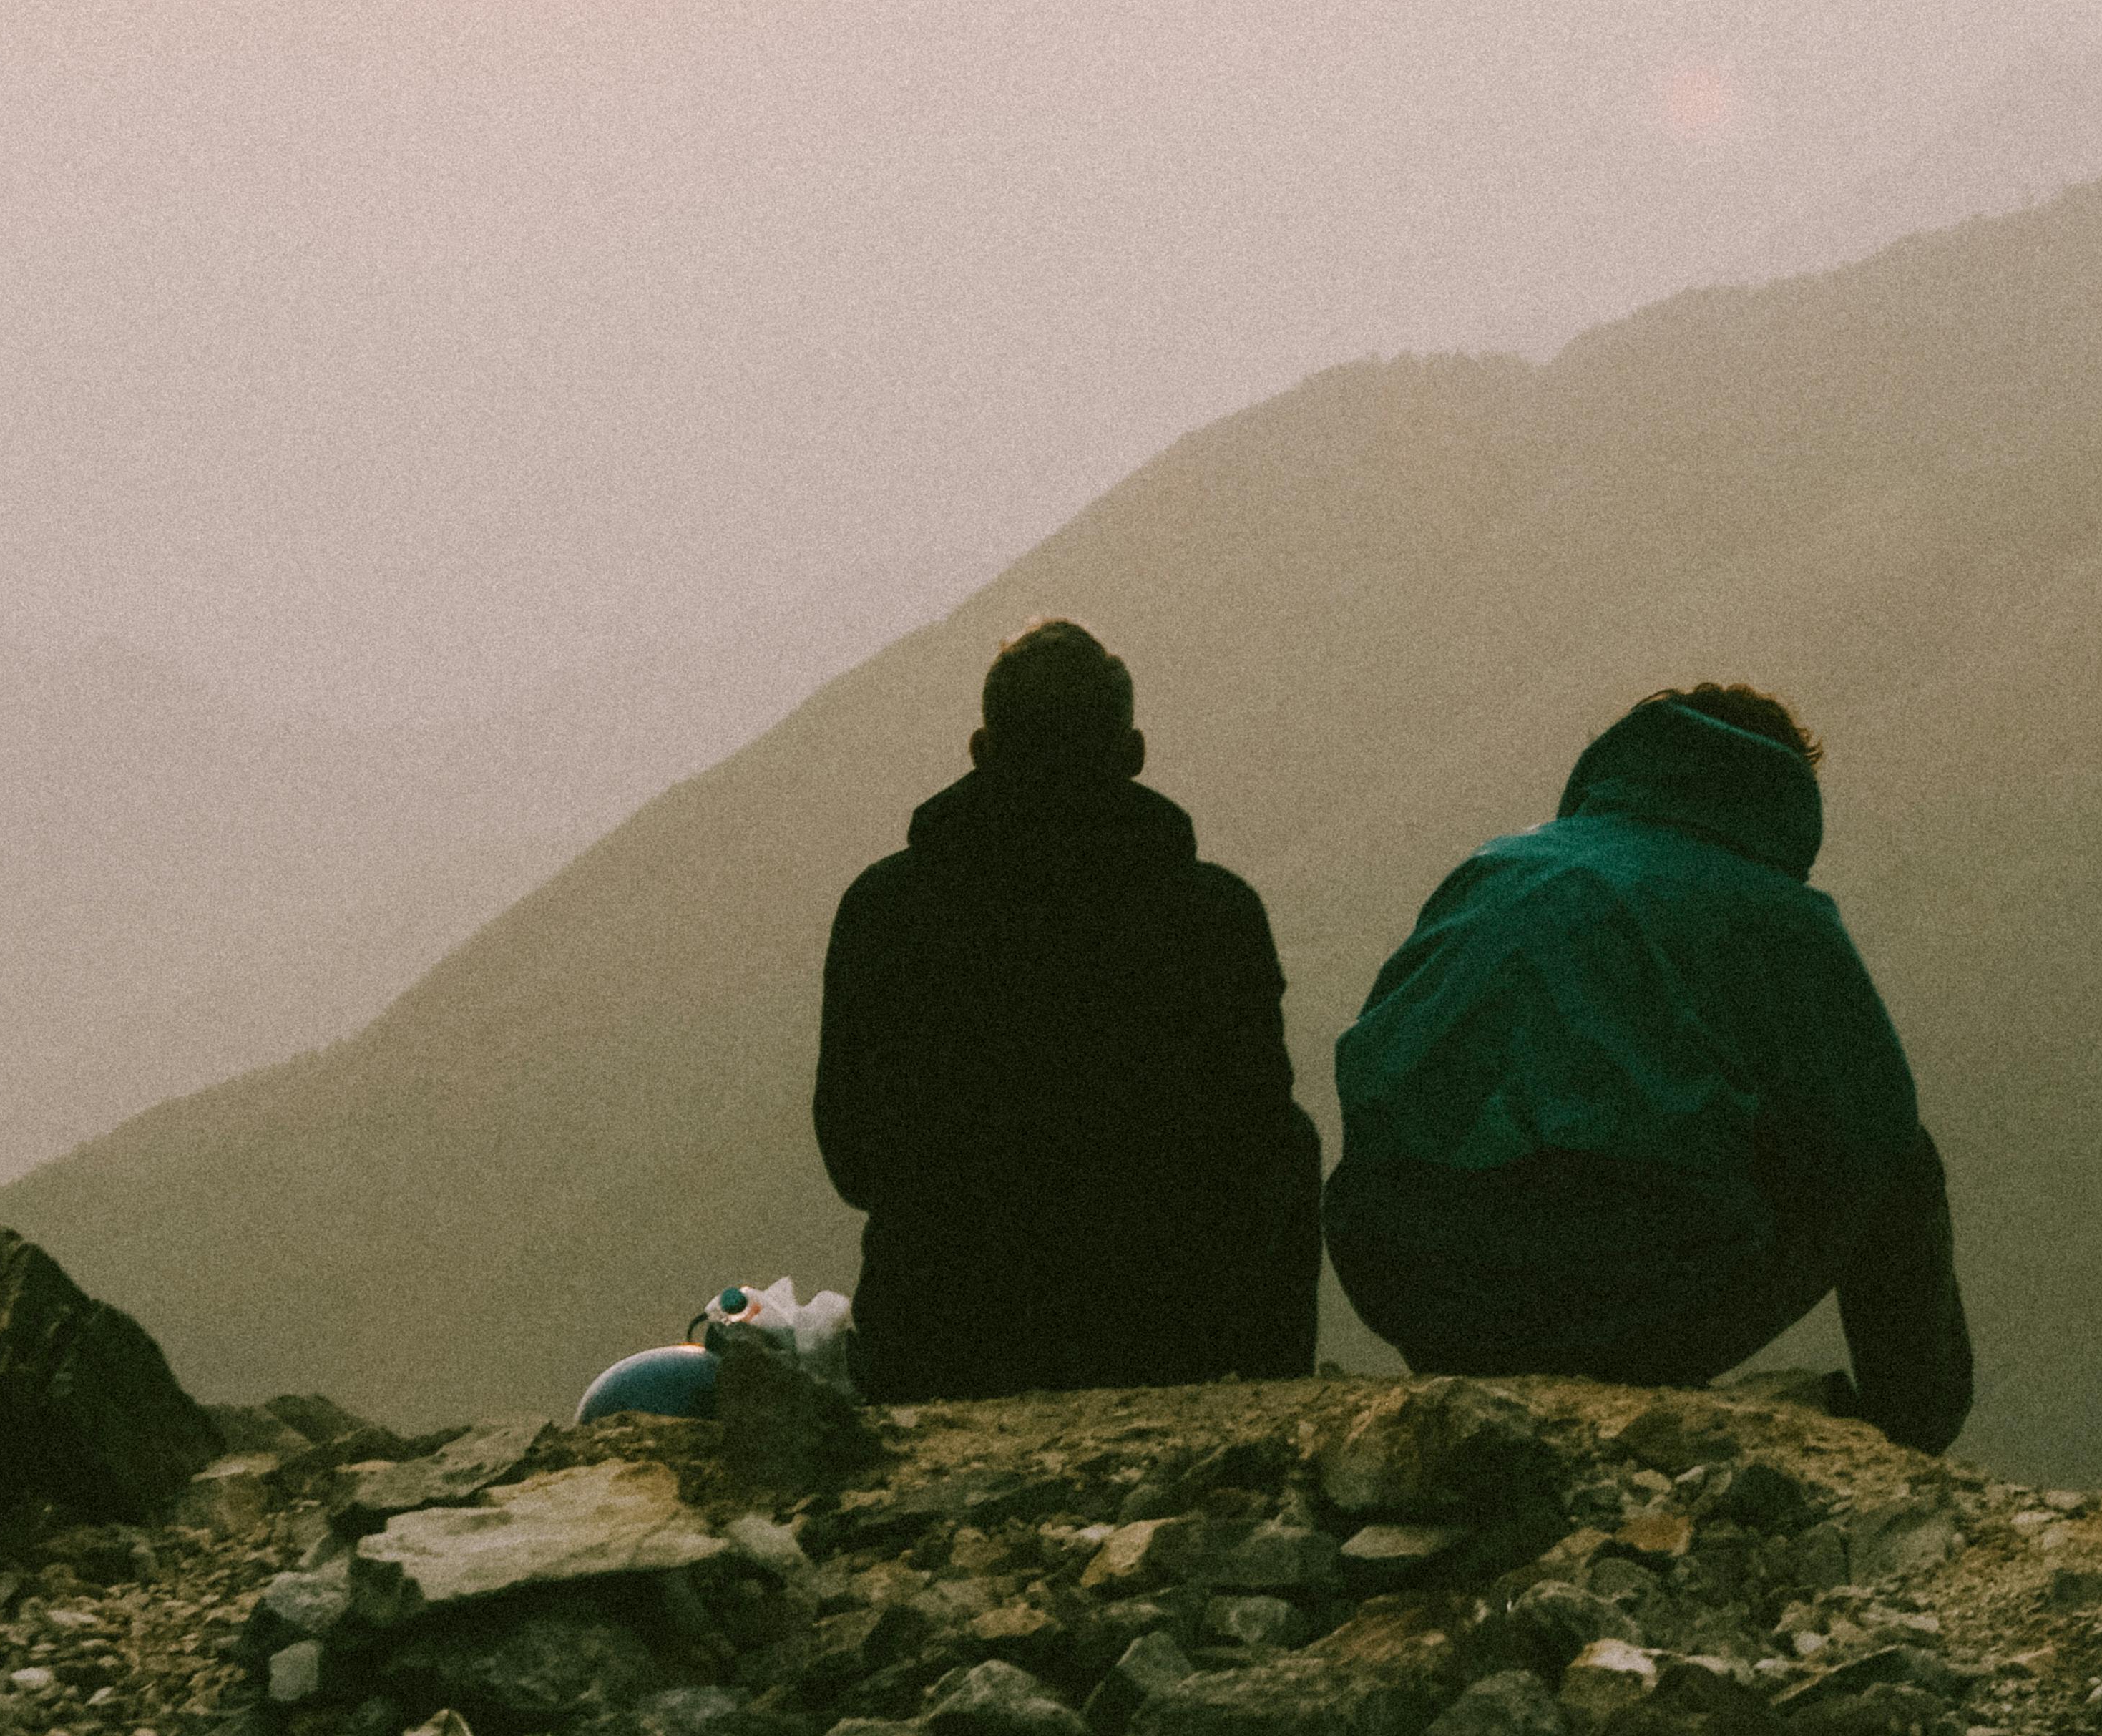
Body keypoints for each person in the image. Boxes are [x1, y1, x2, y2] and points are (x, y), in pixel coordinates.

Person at [1323, 682, 1972, 1446]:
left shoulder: (1495, 868)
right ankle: (1910, 1436)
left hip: (1408, 1281)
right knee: (1893, 1158)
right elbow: (1868, 1133)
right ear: (1778, 795)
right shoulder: (1772, 913)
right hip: (1617, 1311)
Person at [814, 615, 1322, 1400]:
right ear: (1131, 755)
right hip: (1160, 1339)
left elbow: (852, 1160)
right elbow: (1252, 1142)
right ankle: (1265, 1406)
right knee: (1292, 1137)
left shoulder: (885, 909)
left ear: (980, 752)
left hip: (940, 1340)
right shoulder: (1213, 916)